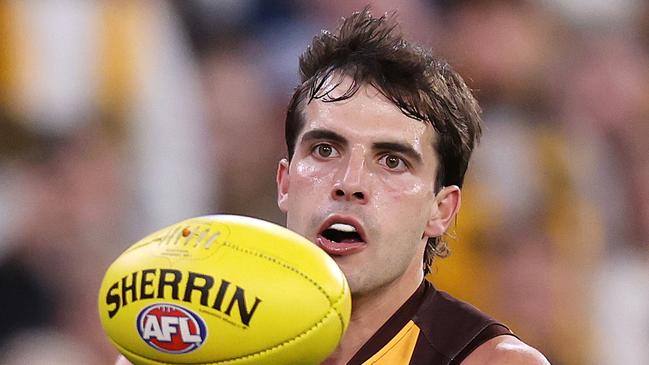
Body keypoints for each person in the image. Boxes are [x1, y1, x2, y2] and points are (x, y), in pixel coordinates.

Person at [117, 9, 549, 365]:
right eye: (325, 150)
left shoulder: (491, 362)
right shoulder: (189, 335)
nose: (349, 183)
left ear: (442, 210)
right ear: (284, 182)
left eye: (392, 161)